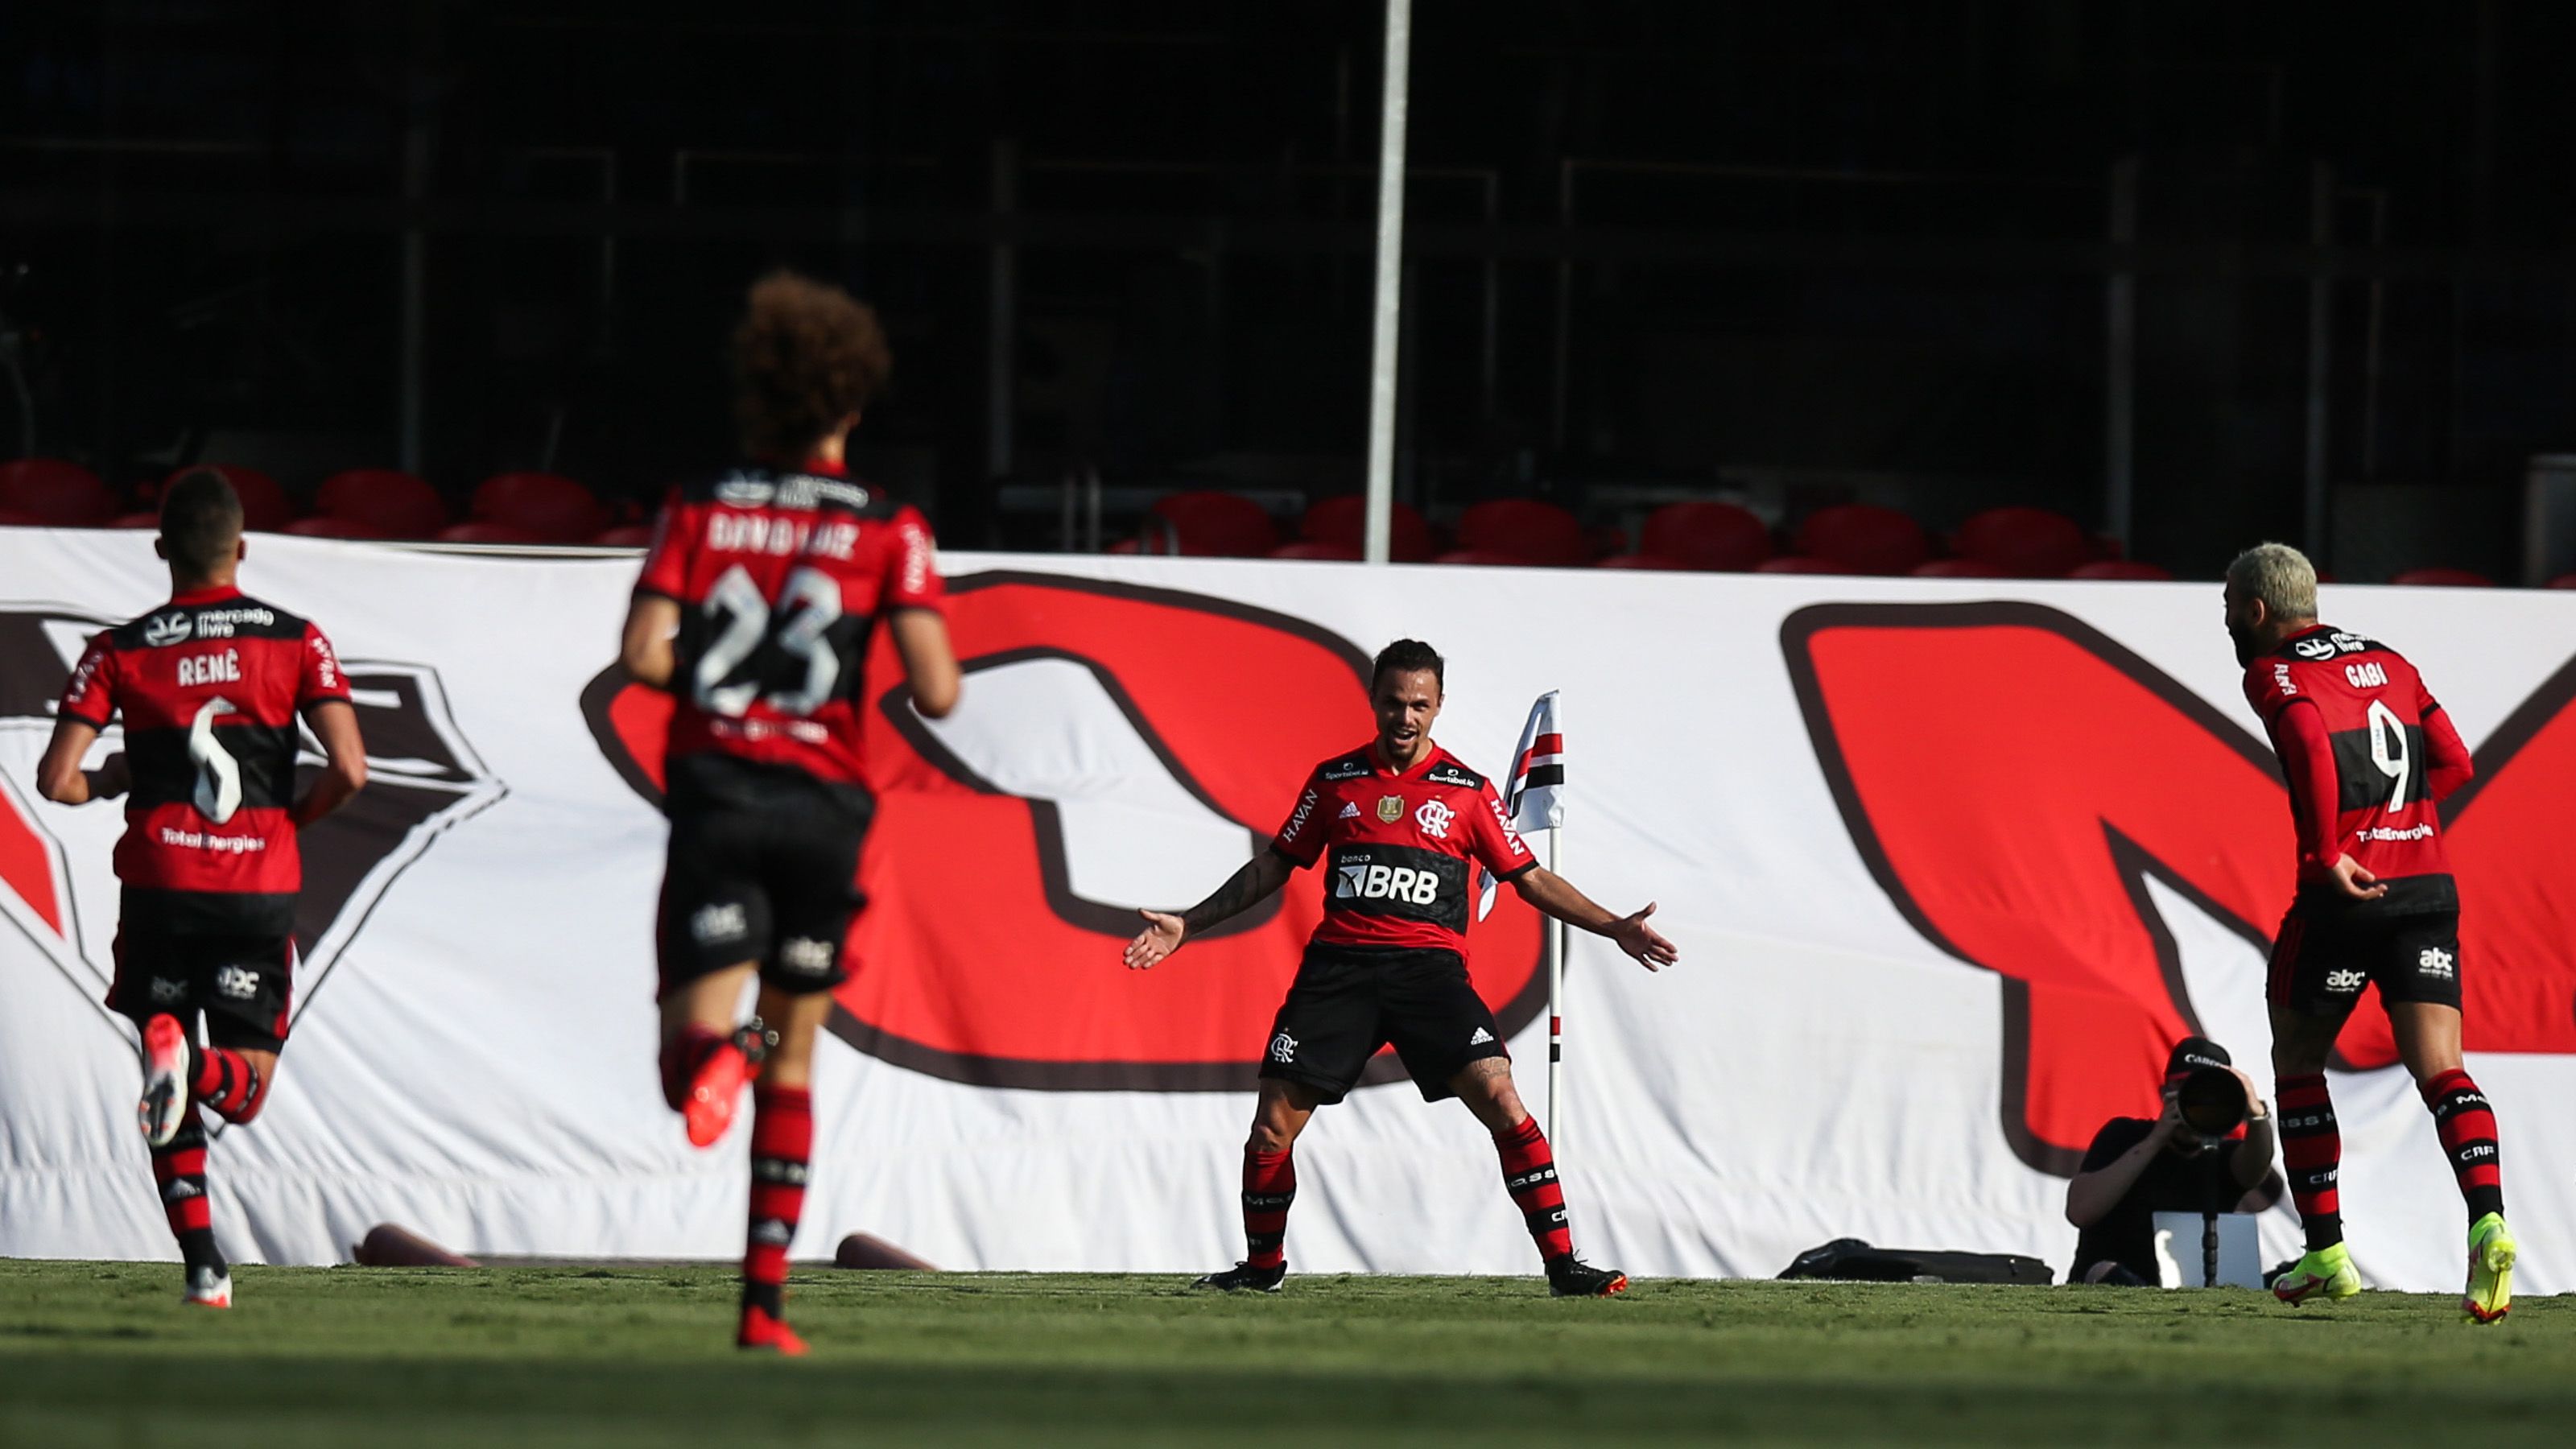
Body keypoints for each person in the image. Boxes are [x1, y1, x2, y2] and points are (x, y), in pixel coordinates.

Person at [619, 270, 960, 1354]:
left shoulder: (701, 504)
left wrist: (724, 690)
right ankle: (764, 1311)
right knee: (797, 1060)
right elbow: (939, 688)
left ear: (756, 399)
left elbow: (638, 655)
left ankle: (719, 1060)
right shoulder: (888, 526)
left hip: (721, 793)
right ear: (853, 403)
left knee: (695, 1054)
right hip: (828, 808)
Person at [1125, 638, 1678, 1296]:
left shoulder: (1468, 793)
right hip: (1340, 973)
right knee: (1271, 1124)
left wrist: (1613, 924)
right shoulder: (1335, 782)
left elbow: (1528, 879)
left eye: (1419, 704)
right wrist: (1190, 923)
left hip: (1430, 976)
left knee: (1502, 1098)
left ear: (1439, 705)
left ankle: (1563, 1267)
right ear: (1374, 701)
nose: (1405, 717)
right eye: (1393, 702)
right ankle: (1261, 1271)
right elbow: (1275, 864)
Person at [35, 468, 369, 1309]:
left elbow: (55, 781)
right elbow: (352, 770)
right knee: (242, 1090)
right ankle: (195, 1070)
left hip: (158, 885)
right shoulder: (297, 640)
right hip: (255, 882)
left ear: (159, 550)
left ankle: (203, 1268)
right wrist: (292, 819)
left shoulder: (118, 649)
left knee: (164, 1077)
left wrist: (114, 778)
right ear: (241, 548)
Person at [2224, 541, 2516, 1322]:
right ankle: (2487, 1222)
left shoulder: (2274, 672)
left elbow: (2313, 747)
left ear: (2253, 612)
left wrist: (2328, 854)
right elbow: (2452, 765)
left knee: (2296, 1059)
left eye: (2230, 615)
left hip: (2344, 896)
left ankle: (2324, 1254)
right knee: (2441, 1069)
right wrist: (2401, 827)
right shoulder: (2389, 661)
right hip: (2426, 888)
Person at [2065, 1038, 2275, 1286]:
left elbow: (2257, 1165)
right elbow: (2081, 1211)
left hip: (2192, 1289)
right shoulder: (2125, 1135)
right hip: (2112, 1286)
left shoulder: (2224, 1156)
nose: (2196, 1100)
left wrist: (2257, 1114)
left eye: (2209, 1092)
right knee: (2105, 1271)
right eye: (2185, 1087)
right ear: (2165, 1093)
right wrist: (2156, 1140)